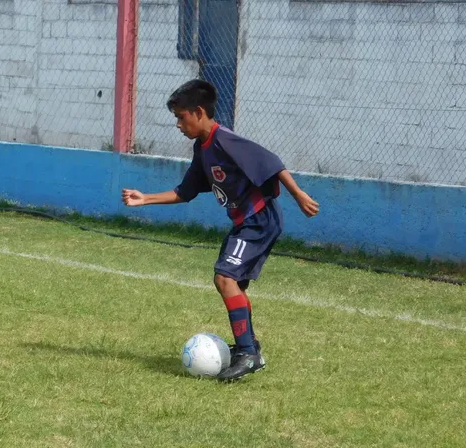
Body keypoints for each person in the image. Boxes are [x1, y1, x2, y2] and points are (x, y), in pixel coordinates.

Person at [121, 79, 320, 383]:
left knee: (225, 277)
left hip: (259, 218)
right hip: (246, 222)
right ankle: (250, 347)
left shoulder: (224, 140)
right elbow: (185, 191)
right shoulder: (202, 148)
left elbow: (271, 163)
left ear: (199, 112)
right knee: (231, 284)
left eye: (181, 117)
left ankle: (248, 352)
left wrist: (299, 195)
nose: (177, 124)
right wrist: (145, 198)